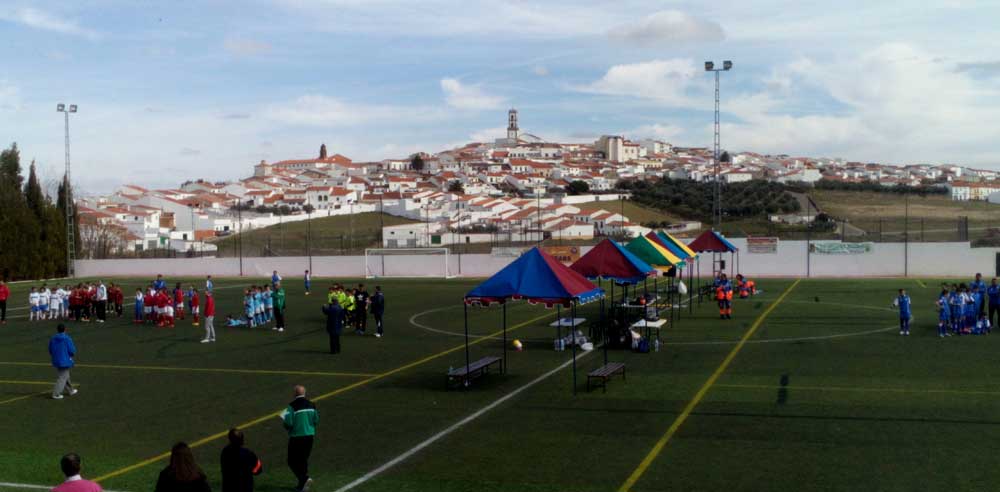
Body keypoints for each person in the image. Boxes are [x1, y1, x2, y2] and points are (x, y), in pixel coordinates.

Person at [281, 385, 317, 492]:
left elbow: (288, 423)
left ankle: (304, 479)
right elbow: (316, 420)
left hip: (296, 437)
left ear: (295, 394)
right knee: (303, 460)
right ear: (304, 393)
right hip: (309, 436)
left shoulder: (291, 406)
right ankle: (302, 486)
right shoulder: (312, 405)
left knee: (291, 461)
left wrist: (287, 426)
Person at [220, 428, 262, 492]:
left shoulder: (225, 452)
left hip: (228, 488)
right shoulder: (247, 453)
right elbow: (258, 470)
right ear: (242, 440)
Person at [49, 324, 78, 400]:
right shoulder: (67, 338)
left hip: (56, 359)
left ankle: (70, 390)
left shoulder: (53, 338)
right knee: (62, 377)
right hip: (65, 360)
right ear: (65, 329)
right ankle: (56, 393)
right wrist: (71, 356)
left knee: (65, 375)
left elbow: (50, 349)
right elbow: (72, 350)